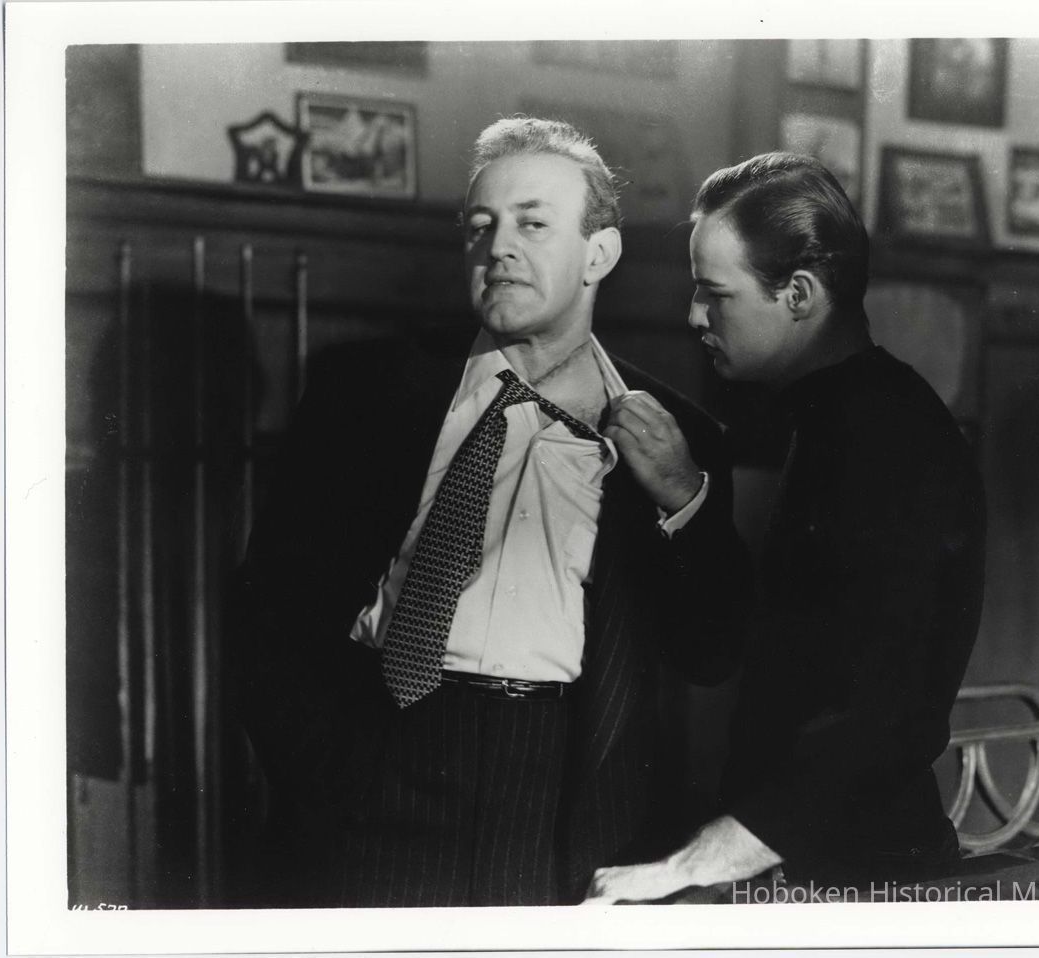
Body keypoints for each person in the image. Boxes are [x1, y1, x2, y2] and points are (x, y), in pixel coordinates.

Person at [232, 117, 748, 907]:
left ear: (599, 254)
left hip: (557, 793)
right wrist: (322, 773)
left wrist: (685, 498)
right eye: (481, 227)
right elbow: (268, 610)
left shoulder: (679, 435)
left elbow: (711, 652)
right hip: (373, 763)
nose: (498, 247)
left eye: (532, 224)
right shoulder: (363, 389)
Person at [584, 153, 986, 903]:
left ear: (797, 294)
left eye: (715, 294)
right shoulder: (842, 410)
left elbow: (879, 712)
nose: (694, 317)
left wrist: (692, 863)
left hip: (866, 876)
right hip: (819, 854)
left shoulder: (890, 438)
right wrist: (682, 492)